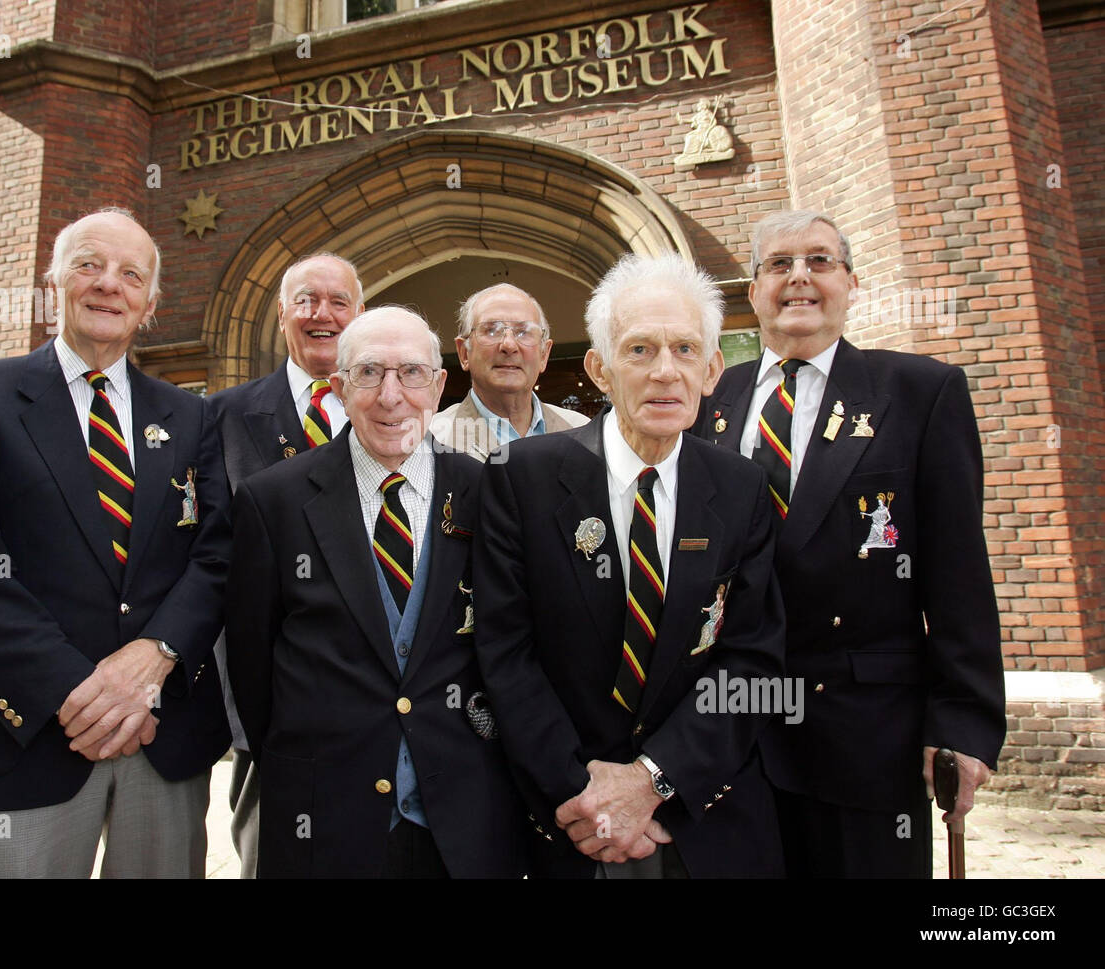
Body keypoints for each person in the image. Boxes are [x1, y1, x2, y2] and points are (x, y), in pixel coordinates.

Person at [0, 207, 231, 877]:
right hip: (27, 736)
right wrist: (79, 691)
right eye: (89, 264)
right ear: (55, 279)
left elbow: (217, 551)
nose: (109, 284)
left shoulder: (191, 415)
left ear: (149, 304)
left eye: (130, 274)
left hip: (163, 731)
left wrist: (155, 654)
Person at [692, 209, 1006, 877]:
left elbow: (957, 574)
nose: (797, 277)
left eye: (818, 262)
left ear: (851, 284)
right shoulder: (708, 399)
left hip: (864, 737)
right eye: (778, 264)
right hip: (731, 736)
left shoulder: (919, 392)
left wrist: (962, 721)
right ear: (753, 292)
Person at [474, 252, 787, 878]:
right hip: (565, 826)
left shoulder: (744, 488)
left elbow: (753, 660)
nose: (665, 373)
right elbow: (505, 653)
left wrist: (652, 780)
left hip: (702, 820)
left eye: (685, 350)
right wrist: (588, 800)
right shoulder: (522, 479)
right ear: (600, 368)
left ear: (712, 370)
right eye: (640, 350)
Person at [225, 306, 526, 877]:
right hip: (325, 819)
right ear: (338, 388)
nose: (392, 396)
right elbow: (253, 667)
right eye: (368, 373)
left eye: (411, 372)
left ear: (439, 386)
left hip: (462, 822)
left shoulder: (487, 493)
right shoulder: (273, 502)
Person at [205, 252, 365, 877]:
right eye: (306, 300)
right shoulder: (220, 416)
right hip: (274, 706)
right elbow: (209, 556)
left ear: (359, 313)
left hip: (387, 699)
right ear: (281, 314)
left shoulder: (397, 408)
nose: (322, 315)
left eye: (338, 302)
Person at [429, 283, 586, 461]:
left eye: (524, 332)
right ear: (464, 353)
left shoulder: (583, 433)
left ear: (544, 354)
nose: (509, 345)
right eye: (491, 330)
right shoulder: (431, 440)